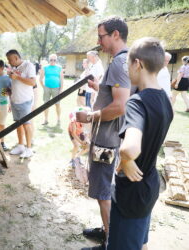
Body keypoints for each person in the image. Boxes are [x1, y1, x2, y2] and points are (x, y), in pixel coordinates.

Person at [107, 37, 173, 250]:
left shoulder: (137, 102)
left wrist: (126, 159)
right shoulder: (165, 99)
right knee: (140, 243)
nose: (127, 71)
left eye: (128, 65)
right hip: (149, 184)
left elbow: (131, 147)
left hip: (131, 192)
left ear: (138, 64)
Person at [77, 17, 132, 250]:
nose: (98, 42)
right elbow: (118, 97)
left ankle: (111, 241)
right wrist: (100, 89)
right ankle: (107, 230)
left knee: (102, 191)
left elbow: (120, 106)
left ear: (115, 34)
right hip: (111, 137)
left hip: (107, 141)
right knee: (105, 189)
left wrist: (89, 117)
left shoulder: (120, 63)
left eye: (101, 36)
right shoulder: (124, 60)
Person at [6, 49, 36, 158]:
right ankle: (20, 146)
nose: (9, 62)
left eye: (10, 59)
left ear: (15, 57)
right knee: (18, 124)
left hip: (25, 100)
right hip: (15, 100)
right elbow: (14, 84)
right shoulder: (13, 68)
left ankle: (29, 149)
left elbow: (33, 82)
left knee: (27, 125)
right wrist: (8, 91)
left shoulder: (29, 66)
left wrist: (17, 77)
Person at [39, 54, 64, 126]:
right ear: (48, 60)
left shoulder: (59, 67)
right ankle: (46, 120)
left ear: (56, 60)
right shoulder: (45, 67)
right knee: (46, 105)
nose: (53, 61)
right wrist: (43, 87)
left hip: (56, 88)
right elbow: (40, 79)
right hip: (47, 88)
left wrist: (61, 89)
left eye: (54, 60)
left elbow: (62, 79)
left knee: (57, 104)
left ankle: (58, 119)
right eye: (51, 60)